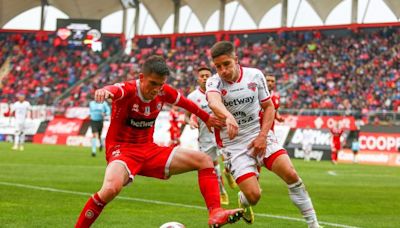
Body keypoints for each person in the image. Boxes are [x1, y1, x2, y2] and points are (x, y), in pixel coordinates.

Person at [75, 55, 243, 228]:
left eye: (160, 84)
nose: (156, 89)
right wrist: (105, 90)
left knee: (204, 160)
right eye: (153, 83)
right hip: (122, 151)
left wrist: (207, 118)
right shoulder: (129, 89)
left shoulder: (164, 91)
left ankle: (215, 213)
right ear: (141, 78)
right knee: (110, 189)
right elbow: (116, 89)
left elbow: (186, 103)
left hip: (149, 150)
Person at [206, 41, 320, 228]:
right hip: (234, 144)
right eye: (218, 66)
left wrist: (262, 136)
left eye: (226, 64)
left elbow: (269, 107)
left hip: (259, 134)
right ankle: (243, 199)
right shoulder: (214, 81)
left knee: (291, 174)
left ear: (236, 59)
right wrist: (228, 116)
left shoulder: (255, 75)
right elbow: (213, 102)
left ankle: (314, 225)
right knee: (254, 195)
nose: (223, 70)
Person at [186, 66, 230, 205]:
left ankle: (229, 172)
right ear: (198, 79)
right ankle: (222, 192)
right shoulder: (192, 97)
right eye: (202, 76)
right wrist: (191, 122)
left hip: (223, 133)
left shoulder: (220, 92)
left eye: (207, 75)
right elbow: (186, 116)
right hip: (205, 138)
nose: (205, 78)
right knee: (213, 168)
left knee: (231, 160)